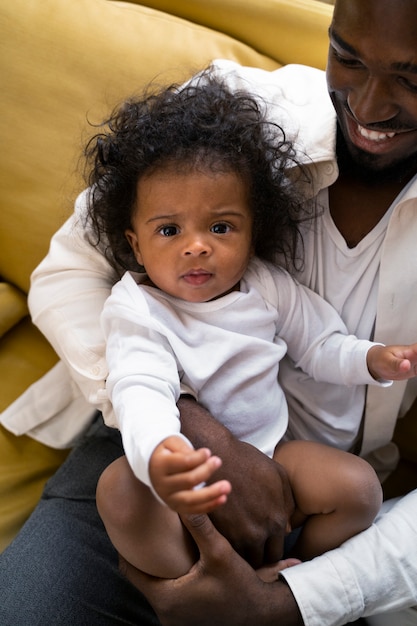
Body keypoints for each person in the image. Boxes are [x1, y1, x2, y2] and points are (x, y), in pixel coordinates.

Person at [1, 0, 417, 624]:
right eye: (347, 57)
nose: (370, 106)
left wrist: (287, 601)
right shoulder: (228, 115)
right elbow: (68, 276)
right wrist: (193, 429)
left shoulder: (267, 286)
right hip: (151, 454)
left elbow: (320, 339)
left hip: (314, 496)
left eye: (412, 79)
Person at [88, 75, 415, 579]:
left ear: (251, 230)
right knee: (118, 491)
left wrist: (371, 359)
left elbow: (320, 342)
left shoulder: (264, 284)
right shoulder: (137, 309)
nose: (196, 246)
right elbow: (140, 386)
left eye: (220, 227)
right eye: (170, 230)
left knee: (359, 489)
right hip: (186, 475)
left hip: (277, 455)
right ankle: (204, 582)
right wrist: (161, 455)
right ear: (135, 244)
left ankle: (291, 571)